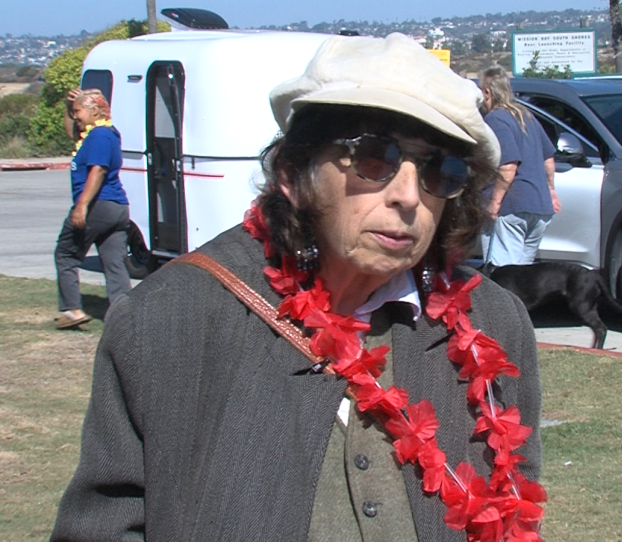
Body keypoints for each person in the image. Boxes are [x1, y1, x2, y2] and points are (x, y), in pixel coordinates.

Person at [52, 34, 544, 541]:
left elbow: (515, 500)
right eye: (374, 158)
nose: (407, 196)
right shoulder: (171, 319)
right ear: (292, 172)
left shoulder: (493, 322)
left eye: (440, 170)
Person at [53, 88, 131, 329]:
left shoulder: (98, 136)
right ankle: (124, 315)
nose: (75, 116)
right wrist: (69, 107)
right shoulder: (103, 134)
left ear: (95, 110)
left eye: (78, 110)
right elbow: (71, 133)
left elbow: (98, 170)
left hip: (99, 205)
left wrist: (82, 206)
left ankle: (72, 310)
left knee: (66, 254)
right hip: (117, 208)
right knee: (113, 261)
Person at [478, 66, 560, 267]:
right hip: (539, 207)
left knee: (502, 276)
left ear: (487, 92)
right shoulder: (527, 116)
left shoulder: (495, 119)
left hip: (511, 208)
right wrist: (551, 191)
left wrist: (494, 203)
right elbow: (548, 160)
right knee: (521, 279)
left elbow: (508, 166)